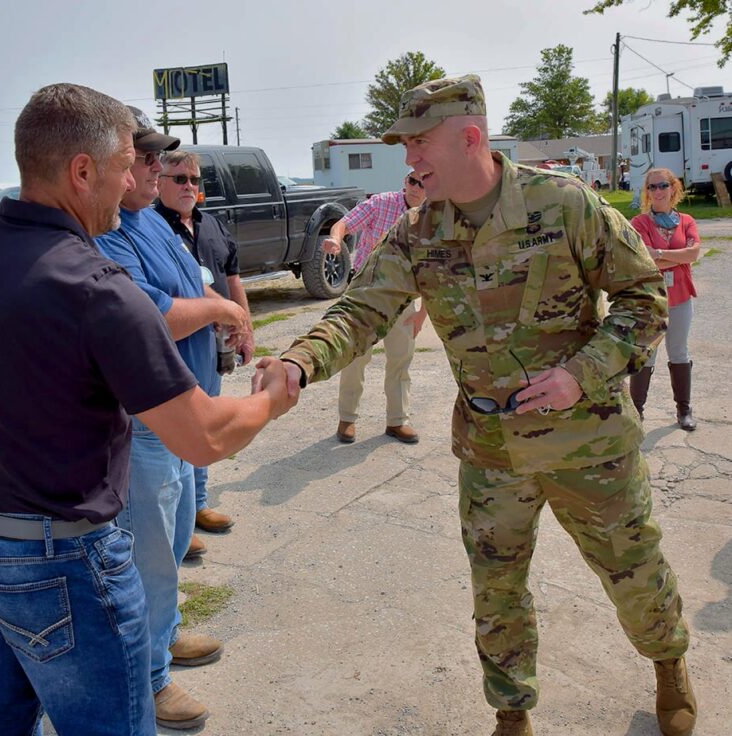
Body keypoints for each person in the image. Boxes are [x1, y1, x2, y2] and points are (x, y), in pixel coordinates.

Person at [0, 84, 297, 736]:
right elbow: (203, 437)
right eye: (125, 164)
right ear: (82, 171)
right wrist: (272, 399)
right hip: (61, 564)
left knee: (0, 721)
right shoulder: (97, 288)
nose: (133, 179)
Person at [277, 75, 695, 736]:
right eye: (404, 145)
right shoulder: (419, 232)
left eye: (419, 143)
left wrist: (582, 374)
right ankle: (511, 710)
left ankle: (669, 661)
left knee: (634, 568)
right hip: (491, 450)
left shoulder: (565, 204)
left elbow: (644, 298)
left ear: (470, 136)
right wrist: (299, 362)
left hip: (588, 443)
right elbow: (361, 311)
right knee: (497, 591)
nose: (408, 159)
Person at [95, 107, 251, 730]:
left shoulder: (150, 219)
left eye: (162, 158)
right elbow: (152, 316)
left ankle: (162, 642)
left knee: (176, 534)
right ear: (112, 166)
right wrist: (217, 308)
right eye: (147, 158)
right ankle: (149, 680)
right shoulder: (108, 232)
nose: (160, 168)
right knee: (149, 554)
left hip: (186, 406)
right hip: (151, 420)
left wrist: (222, 308)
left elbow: (198, 284)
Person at [155, 149, 254, 544]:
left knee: (206, 423)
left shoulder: (211, 224)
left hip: (213, 348)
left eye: (195, 180)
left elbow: (234, 277)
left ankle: (197, 505)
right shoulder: (152, 229)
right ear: (158, 182)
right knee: (175, 432)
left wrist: (244, 327)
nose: (189, 187)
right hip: (175, 345)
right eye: (179, 179)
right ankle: (178, 520)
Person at [322, 173, 427, 444]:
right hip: (365, 292)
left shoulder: (432, 217)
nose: (417, 188)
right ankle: (347, 419)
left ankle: (397, 421)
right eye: (413, 181)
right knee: (355, 358)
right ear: (404, 181)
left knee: (400, 361)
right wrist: (336, 240)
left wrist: (421, 314)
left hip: (403, 296)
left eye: (424, 183)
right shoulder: (381, 204)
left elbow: (435, 270)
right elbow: (344, 224)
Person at [629, 168, 700, 430]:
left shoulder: (687, 221)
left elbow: (693, 255)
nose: (657, 191)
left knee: (679, 351)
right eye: (652, 187)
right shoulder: (640, 223)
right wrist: (675, 256)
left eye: (662, 186)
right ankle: (636, 413)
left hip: (680, 297)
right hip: (651, 298)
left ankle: (684, 411)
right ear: (647, 192)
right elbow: (644, 257)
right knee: (646, 354)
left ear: (673, 188)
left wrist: (660, 254)